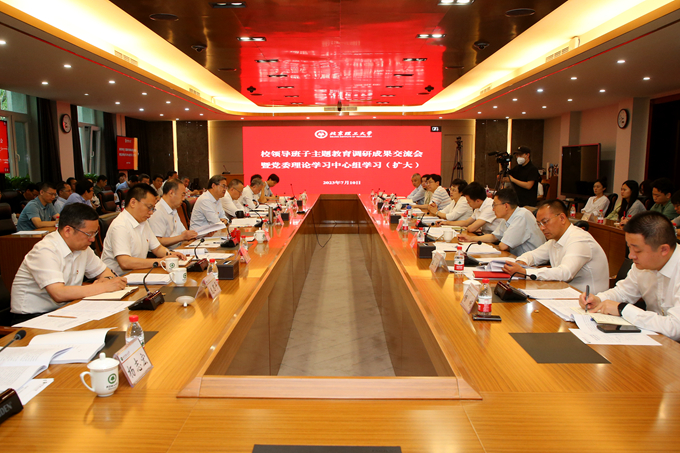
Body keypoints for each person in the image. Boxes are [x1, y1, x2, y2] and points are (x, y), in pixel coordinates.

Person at [10, 204, 127, 321]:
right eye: (89, 234)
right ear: (67, 231)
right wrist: (103, 287)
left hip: (65, 309)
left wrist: (106, 280)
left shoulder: (82, 248)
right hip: (32, 317)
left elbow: (105, 272)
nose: (92, 239)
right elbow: (58, 293)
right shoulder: (45, 250)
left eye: (95, 233)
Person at [580, 211, 680, 340]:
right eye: (629, 248)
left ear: (663, 249)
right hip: (656, 339)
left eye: (637, 250)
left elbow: (675, 328)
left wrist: (623, 309)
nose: (631, 255)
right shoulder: (643, 265)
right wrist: (599, 300)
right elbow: (623, 292)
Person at [503, 199, 610, 293]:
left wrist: (526, 272)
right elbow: (533, 255)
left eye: (545, 222)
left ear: (562, 218)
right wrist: (521, 262)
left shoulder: (579, 239)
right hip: (566, 295)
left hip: (589, 302)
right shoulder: (554, 240)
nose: (542, 228)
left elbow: (565, 272)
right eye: (539, 224)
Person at [102, 184, 186, 276]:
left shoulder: (143, 222)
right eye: (149, 207)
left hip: (138, 273)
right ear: (133, 202)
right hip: (119, 278)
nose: (151, 212)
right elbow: (125, 262)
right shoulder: (120, 226)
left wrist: (171, 255)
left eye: (153, 209)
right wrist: (159, 262)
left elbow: (157, 248)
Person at [458, 188, 545, 256]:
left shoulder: (521, 216)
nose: (493, 209)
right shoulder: (508, 217)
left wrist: (495, 246)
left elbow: (503, 246)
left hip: (533, 264)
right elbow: (494, 237)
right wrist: (471, 239)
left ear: (506, 206)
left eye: (494, 205)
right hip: (516, 258)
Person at [148, 179, 198, 249]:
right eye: (182, 195)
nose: (183, 199)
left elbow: (183, 232)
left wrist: (193, 234)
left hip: (179, 247)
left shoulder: (173, 208)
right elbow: (157, 241)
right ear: (171, 193)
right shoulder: (158, 211)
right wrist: (182, 237)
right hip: (167, 252)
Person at [438, 181, 502, 234]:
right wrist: (446, 223)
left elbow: (472, 228)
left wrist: (468, 228)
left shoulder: (489, 206)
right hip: (485, 235)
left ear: (478, 201)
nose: (468, 203)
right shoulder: (478, 206)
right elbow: (466, 222)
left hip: (495, 239)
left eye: (469, 201)